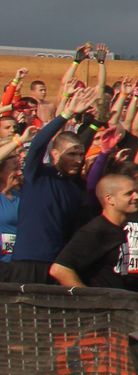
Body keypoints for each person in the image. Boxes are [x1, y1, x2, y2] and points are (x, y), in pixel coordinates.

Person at [6, 86, 98, 282]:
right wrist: (66, 114)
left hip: (57, 265)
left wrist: (96, 124)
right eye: (72, 154)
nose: (78, 159)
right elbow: (39, 142)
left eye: (81, 155)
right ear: (55, 154)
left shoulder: (74, 187)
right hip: (27, 261)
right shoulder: (37, 174)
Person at [49, 173, 138, 289]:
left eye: (137, 192)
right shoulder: (95, 231)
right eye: (129, 194)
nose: (137, 197)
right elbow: (59, 269)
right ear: (110, 199)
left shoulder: (123, 229)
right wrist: (89, 299)